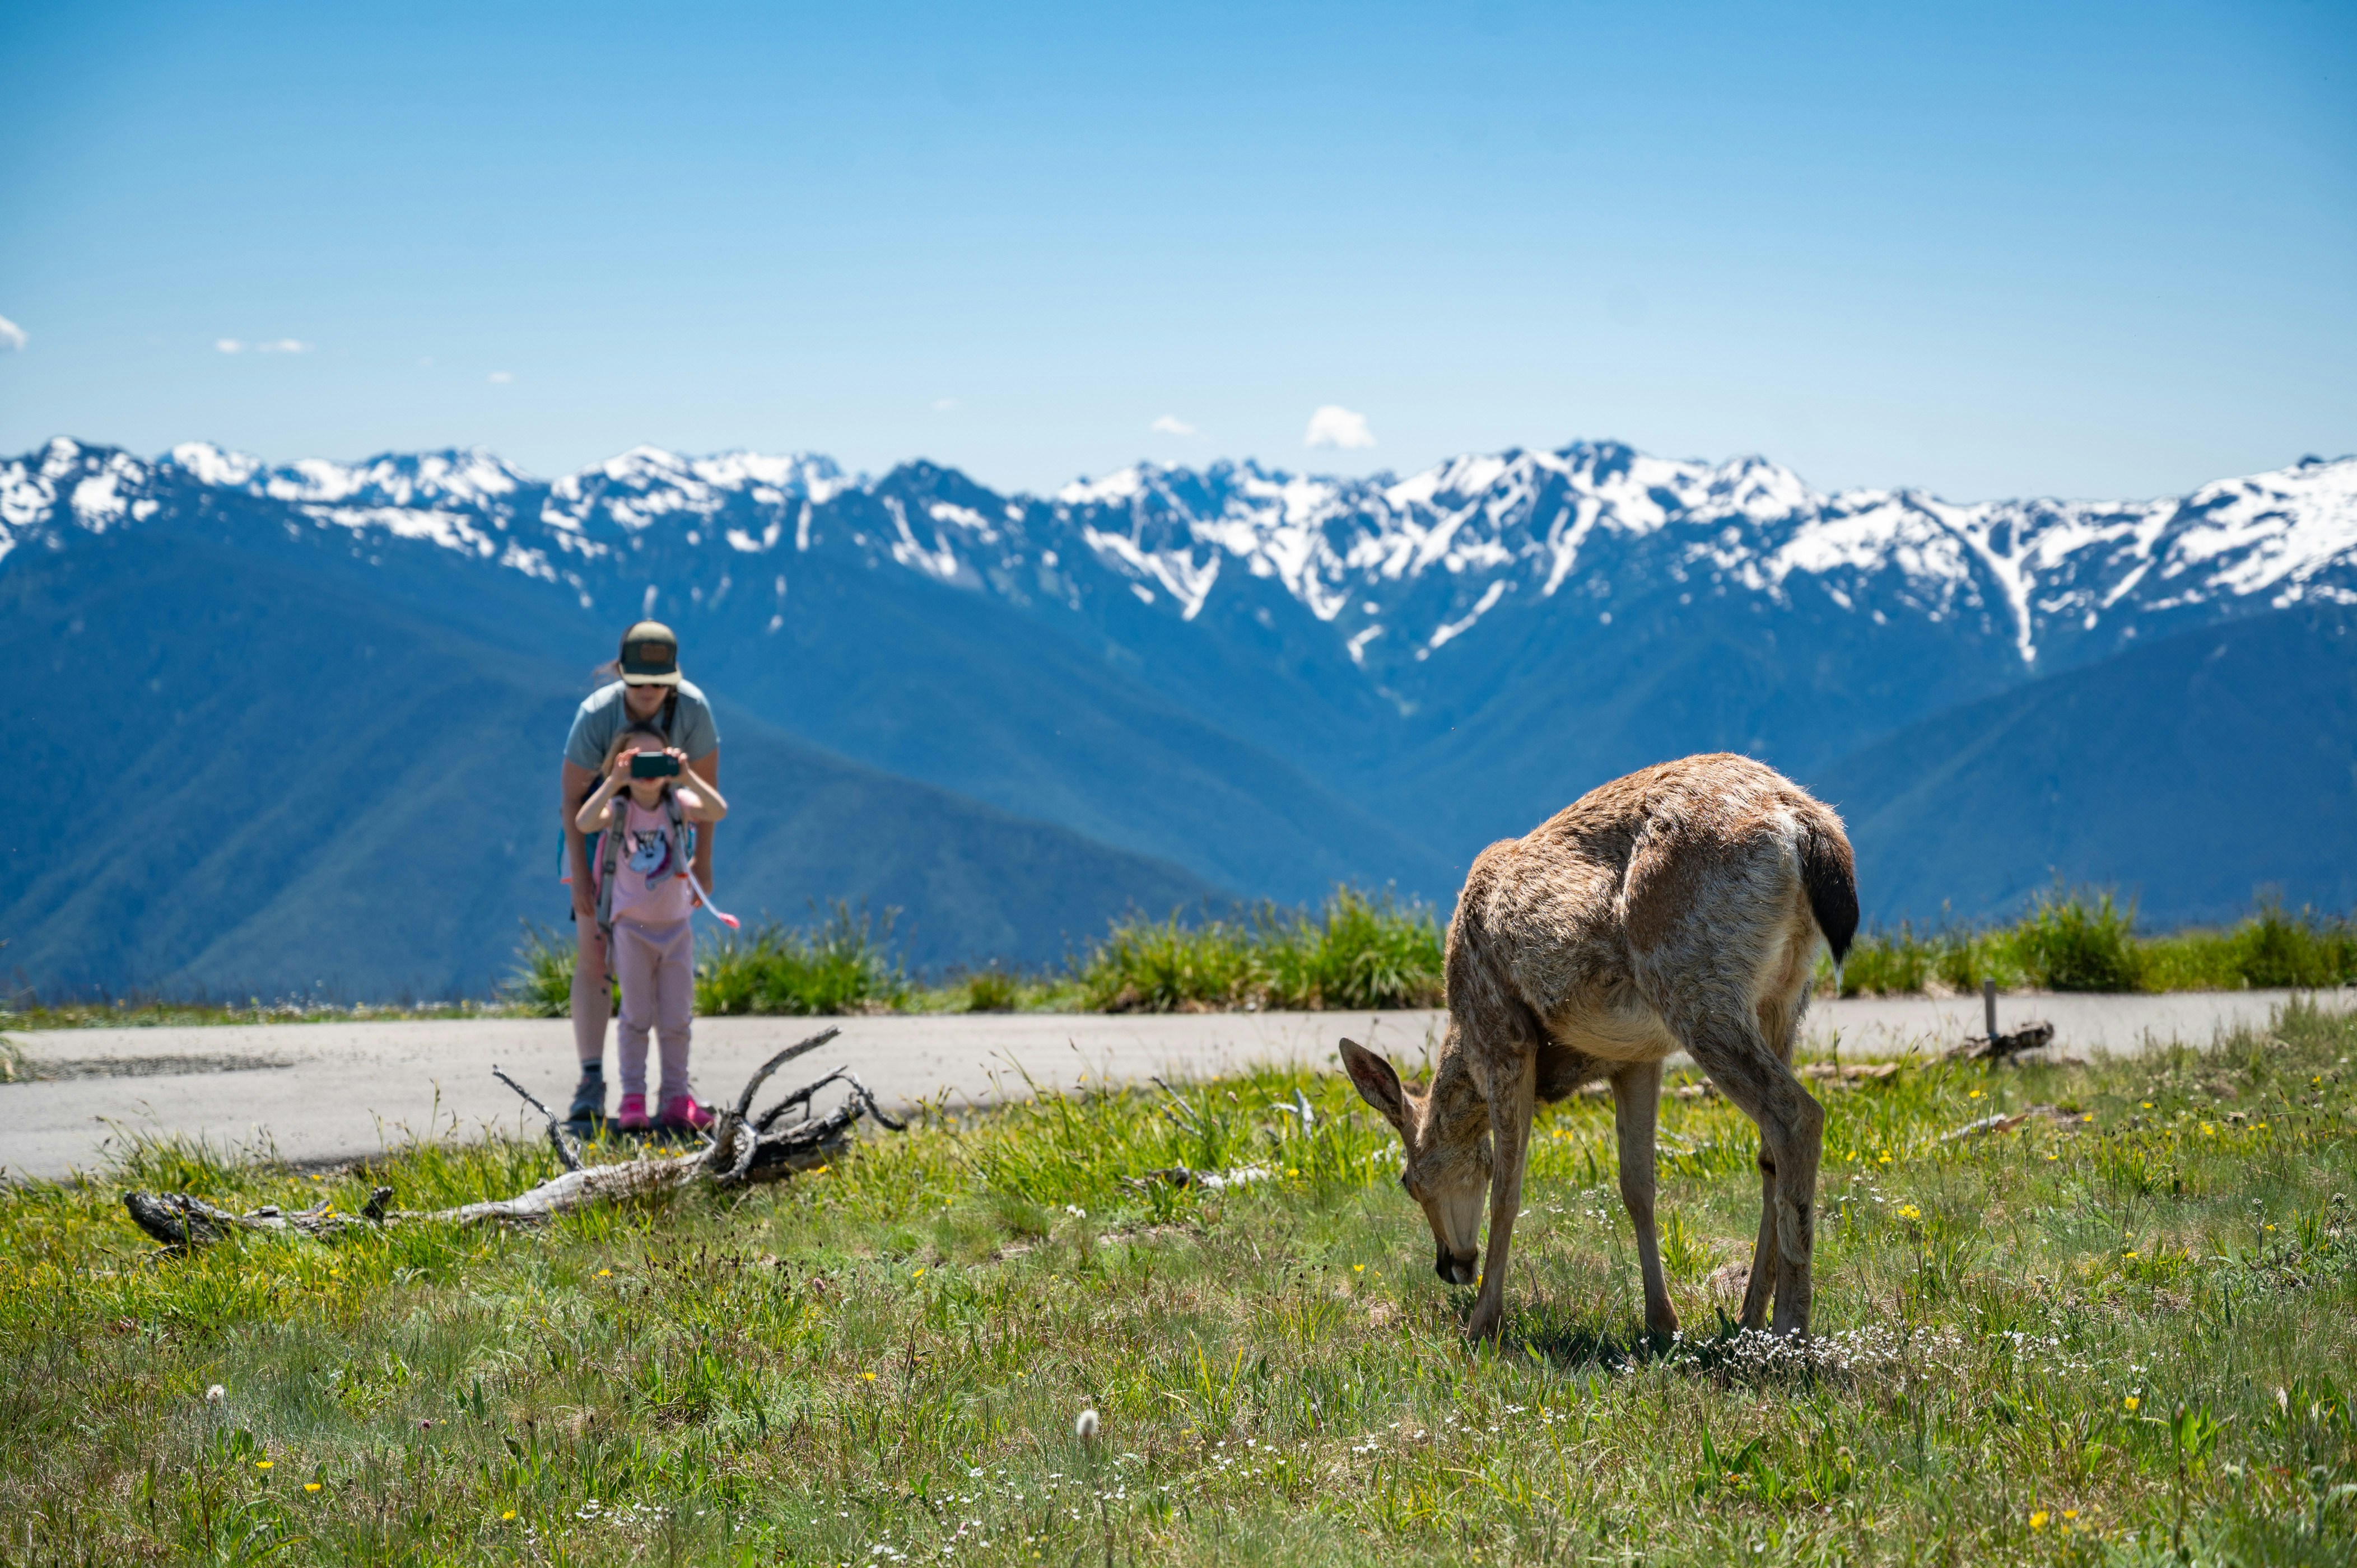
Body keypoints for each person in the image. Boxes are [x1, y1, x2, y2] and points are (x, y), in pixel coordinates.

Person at [559, 621, 721, 1126]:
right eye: (639, 682)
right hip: (597, 830)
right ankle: (592, 1076)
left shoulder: (692, 710)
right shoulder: (596, 715)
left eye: (659, 682)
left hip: (670, 833)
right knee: (594, 952)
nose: (649, 692)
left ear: (673, 679)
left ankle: (671, 1090)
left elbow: (709, 795)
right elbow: (572, 799)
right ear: (622, 675)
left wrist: (703, 863)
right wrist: (583, 876)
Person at [573, 727, 729, 1130]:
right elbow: (584, 821)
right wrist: (614, 782)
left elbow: (718, 810)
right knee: (636, 1016)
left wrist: (686, 776)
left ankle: (677, 1098)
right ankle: (634, 1100)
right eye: (635, 761)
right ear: (620, 764)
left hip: (677, 928)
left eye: (655, 760)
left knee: (677, 1018)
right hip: (631, 930)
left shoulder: (679, 803)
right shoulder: (618, 809)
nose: (647, 769)